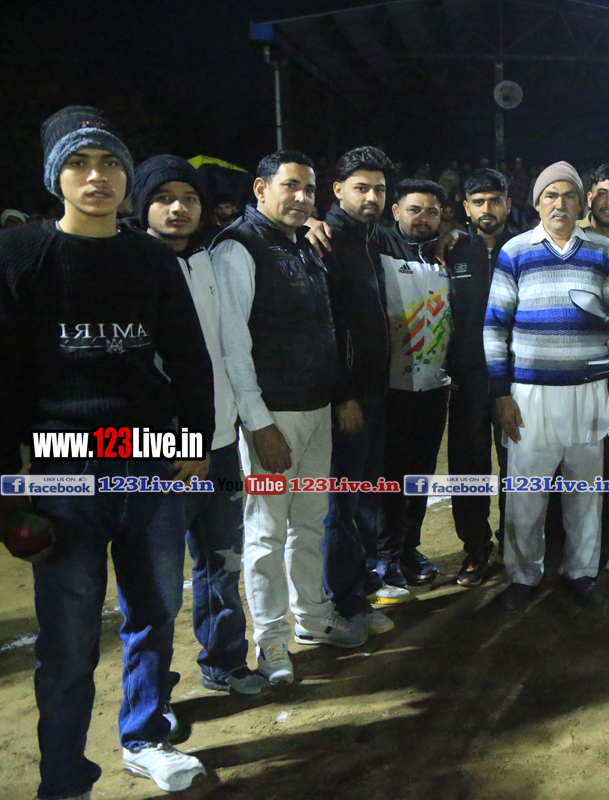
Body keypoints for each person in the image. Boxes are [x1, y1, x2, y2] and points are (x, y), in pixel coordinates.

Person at [0, 106, 212, 797]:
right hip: (62, 462)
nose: (98, 176)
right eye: (79, 164)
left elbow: (189, 357)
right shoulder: (20, 254)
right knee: (67, 639)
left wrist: (194, 440)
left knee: (154, 611)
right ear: (54, 177)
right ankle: (65, 780)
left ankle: (145, 737)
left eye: (111, 163)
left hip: (152, 458)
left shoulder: (151, 258)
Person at [212, 149, 367, 686]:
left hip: (316, 411)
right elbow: (233, 346)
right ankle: (271, 640)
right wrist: (258, 424)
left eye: (309, 189)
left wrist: (339, 395)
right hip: (273, 417)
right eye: (291, 186)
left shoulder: (303, 245)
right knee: (265, 533)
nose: (302, 197)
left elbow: (325, 329)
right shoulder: (237, 248)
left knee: (309, 522)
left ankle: (313, 618)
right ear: (261, 189)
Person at [132, 156, 272, 705]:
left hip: (221, 442)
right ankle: (152, 701)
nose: (178, 208)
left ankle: (224, 662)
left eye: (188, 198)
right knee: (156, 585)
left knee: (222, 564)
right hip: (158, 451)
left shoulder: (212, 262)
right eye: (164, 198)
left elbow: (229, 348)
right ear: (142, 205)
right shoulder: (127, 268)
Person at [484, 161, 609, 611]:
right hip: (530, 394)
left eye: (569, 195)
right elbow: (494, 327)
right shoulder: (515, 251)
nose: (560, 203)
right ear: (537, 203)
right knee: (526, 494)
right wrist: (500, 392)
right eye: (551, 195)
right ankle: (523, 574)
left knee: (585, 492)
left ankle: (580, 572)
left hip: (589, 390)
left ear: (582, 203)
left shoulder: (603, 250)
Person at [318, 147, 407, 624]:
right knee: (343, 502)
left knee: (366, 494)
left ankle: (364, 581)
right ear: (337, 190)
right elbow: (326, 328)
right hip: (348, 397)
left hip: (376, 391)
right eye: (361, 188)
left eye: (379, 189)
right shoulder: (325, 240)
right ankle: (343, 601)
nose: (372, 197)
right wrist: (343, 394)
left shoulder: (374, 239)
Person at [374, 178, 453, 592]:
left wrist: (456, 236)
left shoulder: (447, 254)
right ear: (396, 211)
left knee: (420, 473)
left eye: (432, 211)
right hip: (390, 387)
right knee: (389, 475)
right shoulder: (378, 245)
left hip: (434, 386)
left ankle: (408, 548)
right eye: (415, 209)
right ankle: (384, 555)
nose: (423, 218)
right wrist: (314, 223)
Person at [443, 168, 515, 586]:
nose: (488, 209)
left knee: (516, 465)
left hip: (516, 381)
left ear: (507, 204)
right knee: (468, 467)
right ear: (466, 208)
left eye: (495, 200)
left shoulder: (525, 246)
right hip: (466, 378)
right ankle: (475, 546)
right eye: (479, 201)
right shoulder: (451, 250)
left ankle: (515, 542)